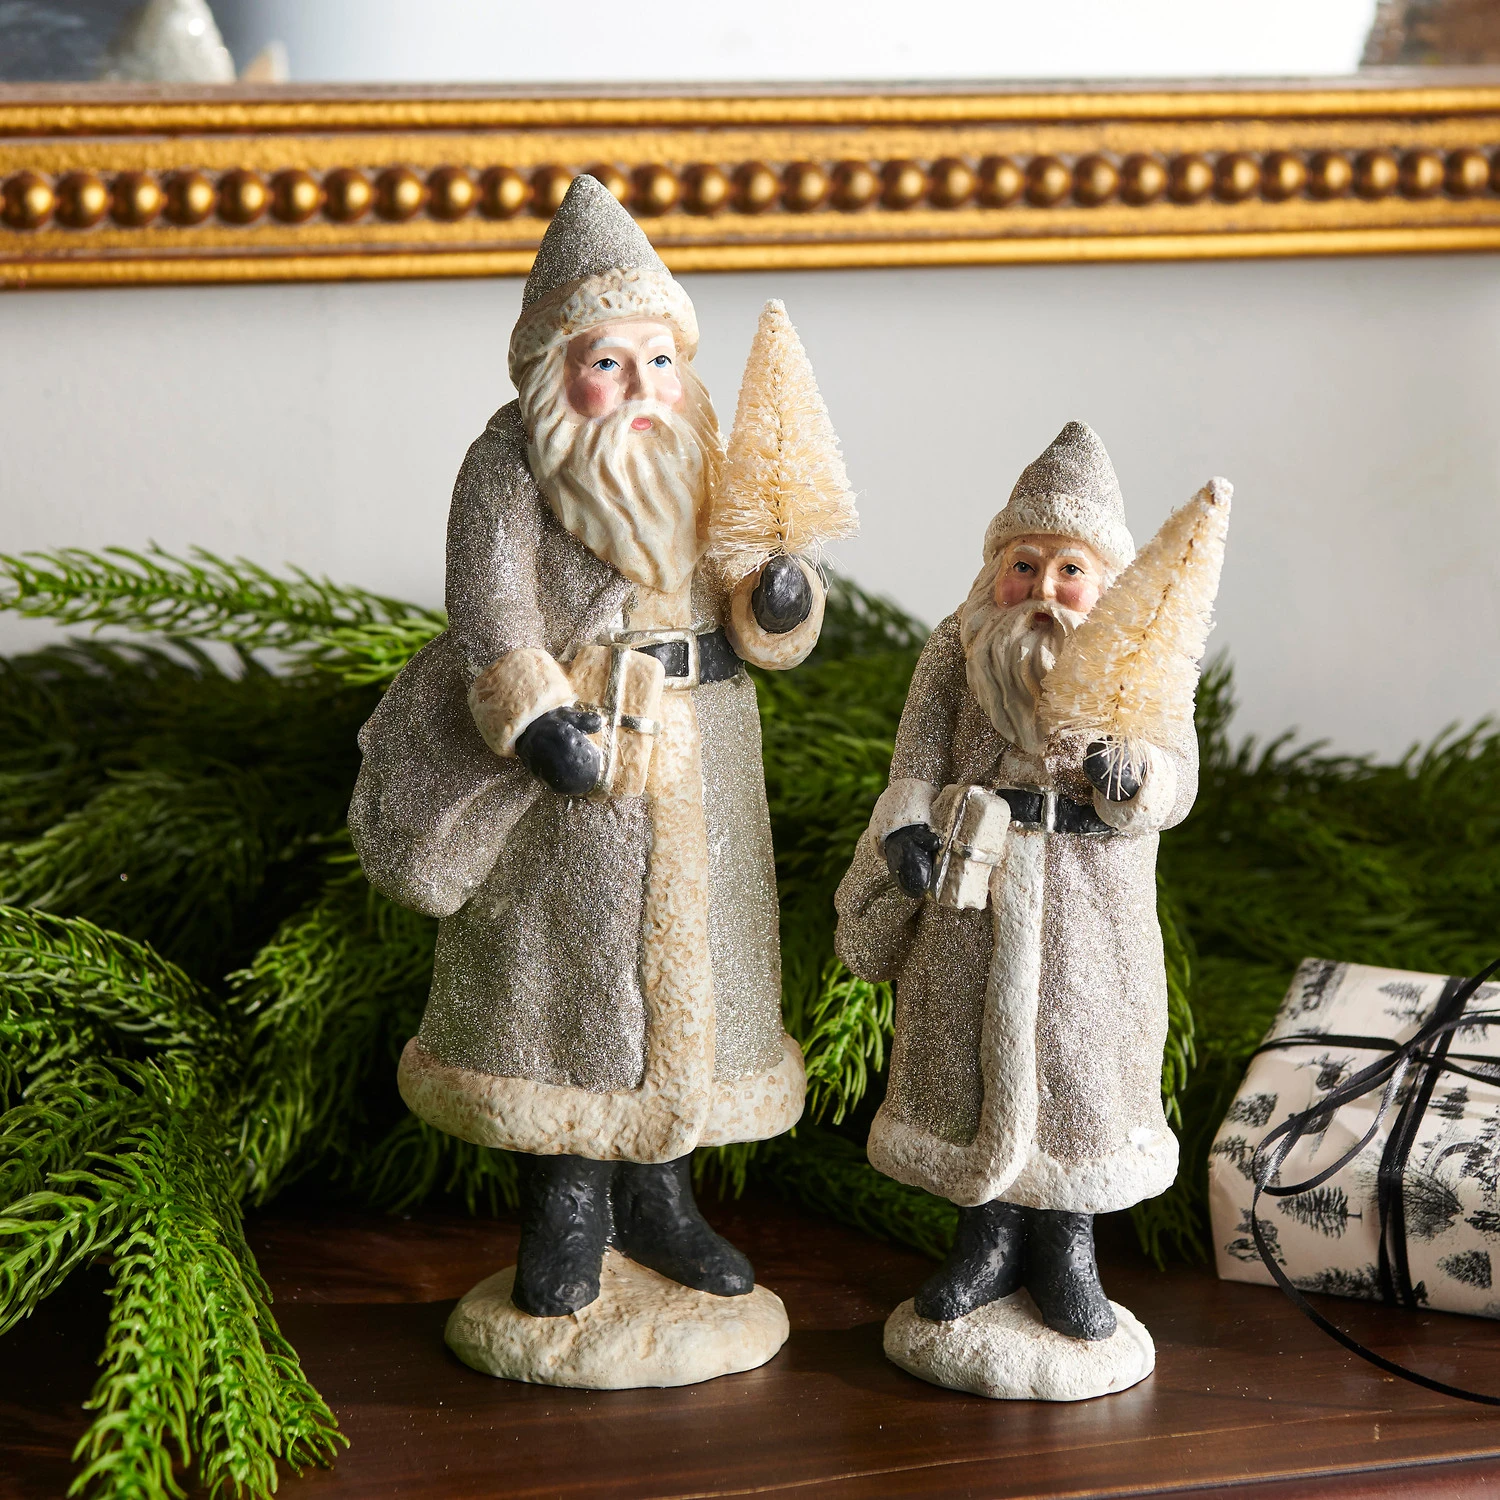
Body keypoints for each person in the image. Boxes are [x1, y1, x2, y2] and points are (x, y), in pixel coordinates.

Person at [350, 174, 822, 1318]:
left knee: (698, 983)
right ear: (555, 368)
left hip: (702, 753)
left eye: (658, 359)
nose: (641, 385)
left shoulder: (706, 450)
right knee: (576, 991)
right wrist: (533, 715)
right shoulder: (508, 464)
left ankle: (663, 1199)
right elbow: (490, 609)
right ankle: (566, 1208)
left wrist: (778, 597)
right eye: (609, 361)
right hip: (584, 760)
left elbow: (752, 592)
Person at [835, 422, 1197, 1340]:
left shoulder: (1142, 665)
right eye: (1024, 565)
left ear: (1106, 582)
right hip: (975, 892)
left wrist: (1137, 778)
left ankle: (1067, 1249)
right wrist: (905, 830)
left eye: (1069, 569)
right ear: (996, 567)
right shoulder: (953, 650)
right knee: (967, 1055)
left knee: (1075, 1066)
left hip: (1088, 910)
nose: (1043, 588)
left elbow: (1178, 777)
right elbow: (914, 762)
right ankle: (984, 1240)